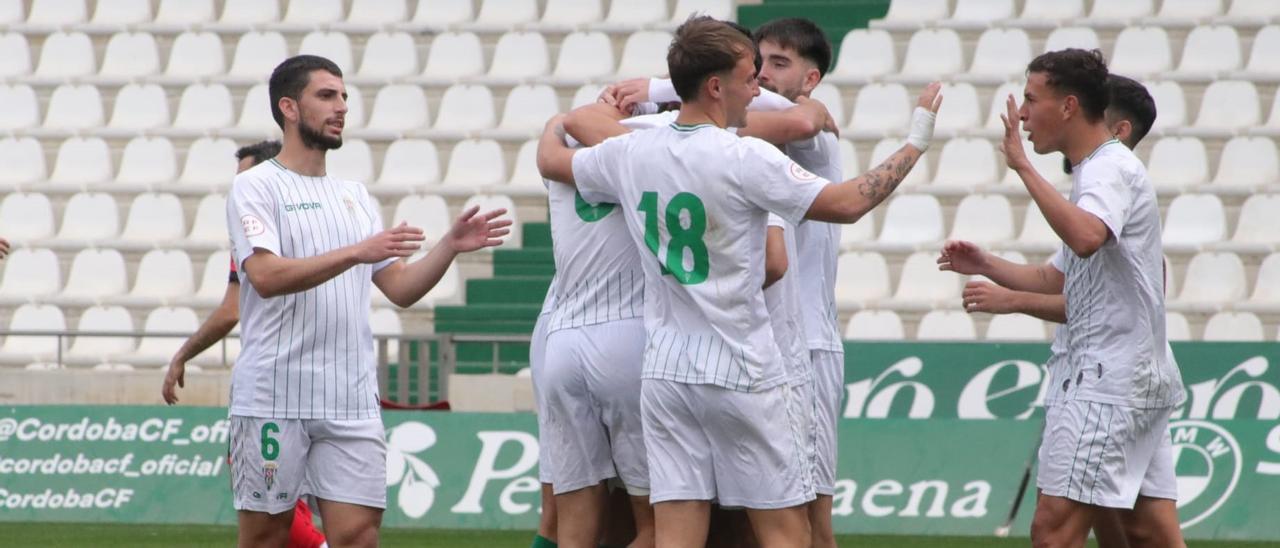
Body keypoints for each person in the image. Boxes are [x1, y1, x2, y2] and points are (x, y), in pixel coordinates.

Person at [537, 16, 942, 547]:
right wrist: (916, 141)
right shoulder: (745, 156)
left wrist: (554, 122)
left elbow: (554, 160)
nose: (758, 88)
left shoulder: (629, 152)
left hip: (665, 370)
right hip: (742, 364)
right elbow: (847, 204)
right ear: (714, 86)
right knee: (785, 532)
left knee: (677, 535)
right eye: (750, 76)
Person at [225, 54, 510, 548]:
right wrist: (357, 250)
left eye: (344, 97)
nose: (341, 108)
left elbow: (399, 288)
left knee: (359, 537)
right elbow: (266, 277)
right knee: (266, 539)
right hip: (274, 395)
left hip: (349, 397)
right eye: (326, 96)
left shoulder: (354, 195)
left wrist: (449, 246)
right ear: (289, 107)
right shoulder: (254, 187)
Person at [937, 49, 1184, 548]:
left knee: (1053, 531)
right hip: (1129, 378)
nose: (1022, 113)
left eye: (1031, 99)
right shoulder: (1097, 173)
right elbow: (1060, 279)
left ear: (1068, 106)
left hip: (1107, 381)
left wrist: (1024, 168)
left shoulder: (1106, 169)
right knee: (1146, 533)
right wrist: (986, 264)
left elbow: (1087, 238)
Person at [162, 140, 282, 405]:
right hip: (322, 377)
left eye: (243, 181)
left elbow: (231, 311)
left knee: (244, 449)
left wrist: (183, 354)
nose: (237, 191)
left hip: (270, 380)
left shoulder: (253, 235)